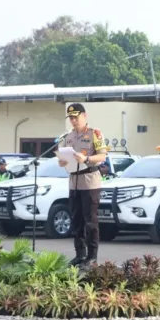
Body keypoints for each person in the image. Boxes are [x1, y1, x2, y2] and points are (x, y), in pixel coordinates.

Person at [58, 103, 107, 268]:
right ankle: (80, 254)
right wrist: (62, 161)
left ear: (84, 116)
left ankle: (92, 257)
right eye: (70, 118)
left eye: (76, 117)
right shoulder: (68, 137)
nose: (73, 121)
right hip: (74, 181)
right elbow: (64, 157)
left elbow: (102, 156)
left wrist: (86, 159)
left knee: (90, 221)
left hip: (90, 180)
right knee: (76, 220)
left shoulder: (95, 134)